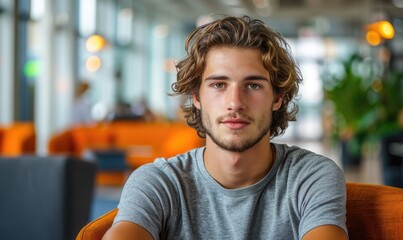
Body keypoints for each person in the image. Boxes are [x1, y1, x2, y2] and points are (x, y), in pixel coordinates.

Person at [103, 15, 348, 240]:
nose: (235, 103)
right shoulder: (159, 183)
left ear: (277, 98)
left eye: (253, 86)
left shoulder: (311, 177)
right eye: (219, 85)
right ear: (196, 97)